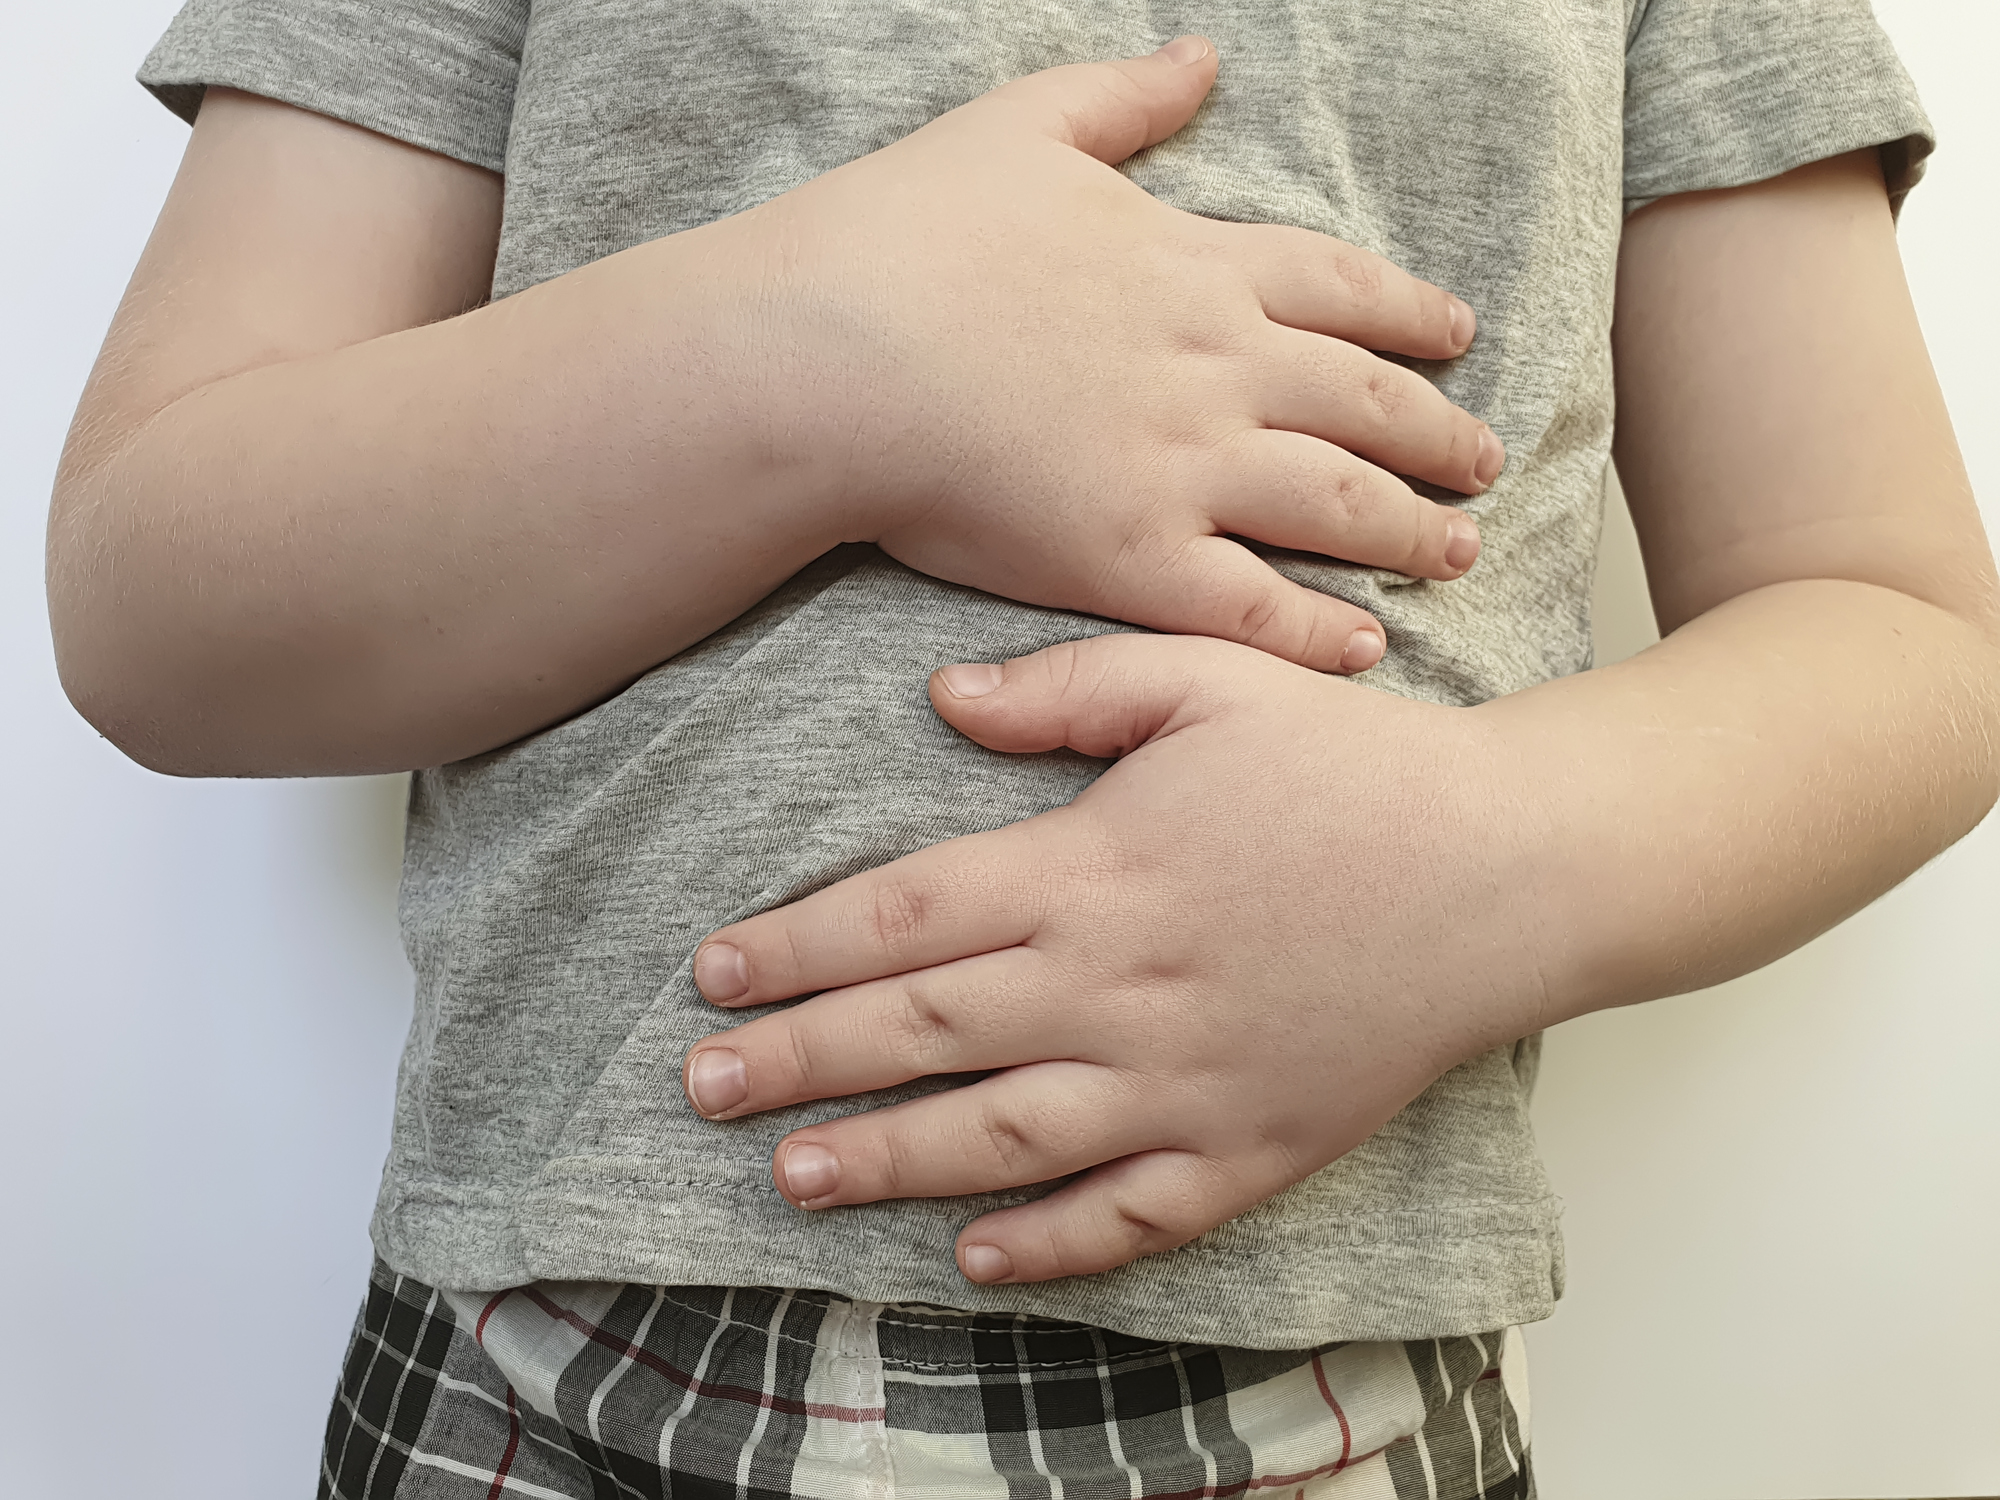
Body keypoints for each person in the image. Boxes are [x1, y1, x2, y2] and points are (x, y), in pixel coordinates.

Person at [46, 0, 1996, 1495]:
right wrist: (830, 358)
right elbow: (155, 594)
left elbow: (1895, 621)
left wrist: (1497, 855)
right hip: (528, 1383)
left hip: (1319, 1405)